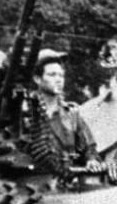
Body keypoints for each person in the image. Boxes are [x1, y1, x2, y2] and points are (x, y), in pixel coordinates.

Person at [27, 49, 110, 177]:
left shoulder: (71, 114)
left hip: (67, 181)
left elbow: (89, 148)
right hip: (33, 181)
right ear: (37, 79)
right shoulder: (26, 113)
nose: (59, 80)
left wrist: (91, 160)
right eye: (52, 75)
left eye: (61, 75)